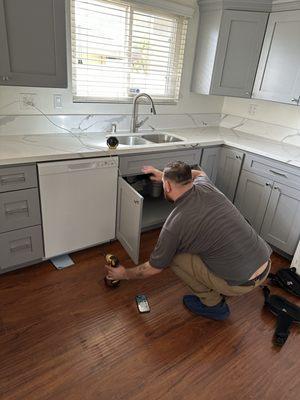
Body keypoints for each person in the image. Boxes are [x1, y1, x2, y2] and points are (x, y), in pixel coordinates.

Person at [105, 161, 272, 321]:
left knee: (175, 258)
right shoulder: (205, 185)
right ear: (188, 180)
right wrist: (165, 175)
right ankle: (222, 281)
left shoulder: (175, 224)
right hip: (265, 262)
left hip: (241, 284)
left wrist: (124, 274)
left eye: (165, 182)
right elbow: (199, 172)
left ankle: (214, 306)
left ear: (167, 186)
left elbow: (154, 268)